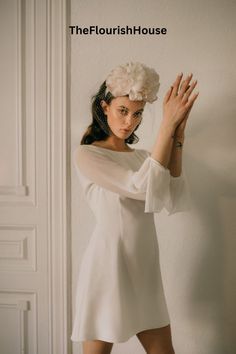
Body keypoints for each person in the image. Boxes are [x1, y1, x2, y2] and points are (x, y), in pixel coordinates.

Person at [71, 62, 199, 354]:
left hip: (144, 267)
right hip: (109, 266)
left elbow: (170, 195)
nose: (130, 121)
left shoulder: (143, 158)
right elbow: (139, 187)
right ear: (105, 107)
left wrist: (176, 136)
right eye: (123, 111)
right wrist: (165, 124)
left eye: (138, 113)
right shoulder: (87, 155)